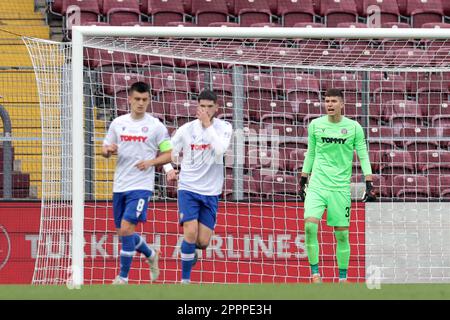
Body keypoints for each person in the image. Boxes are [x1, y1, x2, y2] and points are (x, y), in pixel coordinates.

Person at [300, 88, 376, 283]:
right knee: (310, 227)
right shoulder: (316, 125)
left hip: (340, 188)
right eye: (327, 101)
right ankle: (315, 274)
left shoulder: (354, 128)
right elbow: (311, 152)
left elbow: (363, 154)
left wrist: (369, 182)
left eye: (334, 101)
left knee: (341, 235)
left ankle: (342, 279)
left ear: (342, 104)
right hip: (317, 185)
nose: (330, 104)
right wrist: (303, 178)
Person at [102, 81, 172, 285]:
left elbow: (169, 154)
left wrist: (151, 161)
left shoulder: (156, 127)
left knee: (125, 229)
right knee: (124, 232)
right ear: (130, 99)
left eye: (145, 99)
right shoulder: (118, 123)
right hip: (120, 185)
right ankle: (150, 253)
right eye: (137, 99)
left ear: (149, 100)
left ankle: (122, 278)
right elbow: (104, 149)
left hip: (141, 186)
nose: (141, 103)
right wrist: (108, 150)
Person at [165, 90, 233, 284]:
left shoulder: (224, 127)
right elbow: (167, 150)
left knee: (202, 242)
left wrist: (207, 125)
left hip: (211, 191)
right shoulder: (186, 129)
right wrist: (169, 168)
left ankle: (190, 251)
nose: (206, 110)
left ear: (217, 108)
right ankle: (184, 282)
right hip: (188, 187)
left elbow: (220, 150)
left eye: (210, 106)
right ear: (197, 107)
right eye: (202, 106)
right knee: (190, 231)